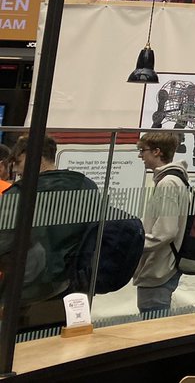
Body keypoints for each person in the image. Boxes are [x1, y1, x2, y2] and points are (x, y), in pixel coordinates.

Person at [0, 134, 98, 330]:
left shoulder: (20, 193)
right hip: (73, 288)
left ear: (30, 155)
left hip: (29, 292)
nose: (17, 170)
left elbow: (4, 242)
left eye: (18, 161)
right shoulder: (86, 186)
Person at [132, 131, 190, 317]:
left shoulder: (168, 183)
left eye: (143, 150)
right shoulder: (175, 180)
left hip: (159, 268)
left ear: (157, 152)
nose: (140, 155)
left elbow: (166, 231)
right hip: (162, 265)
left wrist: (133, 247)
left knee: (153, 328)